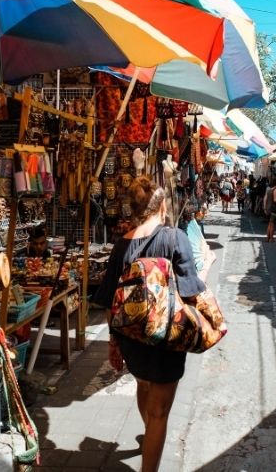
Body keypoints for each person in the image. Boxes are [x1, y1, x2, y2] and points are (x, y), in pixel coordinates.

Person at [94, 177, 206, 472]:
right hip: (165, 337)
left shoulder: (122, 244)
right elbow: (191, 291)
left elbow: (110, 300)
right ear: (163, 206)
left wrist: (114, 342)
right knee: (160, 414)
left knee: (143, 384)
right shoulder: (174, 237)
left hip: (131, 336)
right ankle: (151, 454)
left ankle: (149, 439)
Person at [264, 178, 276, 242]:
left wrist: (265, 208)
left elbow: (265, 199)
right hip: (273, 208)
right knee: (272, 224)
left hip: (268, 208)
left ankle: (267, 238)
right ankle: (271, 238)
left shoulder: (269, 190)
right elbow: (275, 199)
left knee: (269, 224)